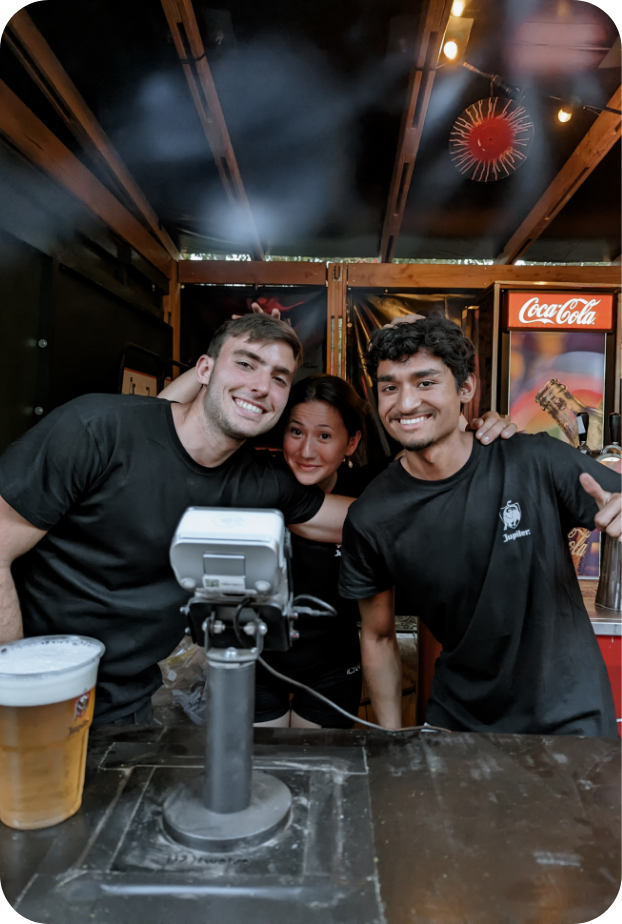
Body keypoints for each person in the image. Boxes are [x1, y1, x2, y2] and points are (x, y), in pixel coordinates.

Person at [0, 315, 351, 726]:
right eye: (245, 363)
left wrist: (431, 441)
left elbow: (367, 523)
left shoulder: (260, 482)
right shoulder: (97, 428)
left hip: (125, 709)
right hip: (26, 695)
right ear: (203, 369)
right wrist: (27, 698)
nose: (261, 385)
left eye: (279, 377)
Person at [162, 348, 517, 729]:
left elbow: (442, 448)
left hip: (333, 667)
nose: (306, 450)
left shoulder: (375, 489)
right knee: (262, 777)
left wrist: (482, 427)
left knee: (320, 776)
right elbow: (159, 421)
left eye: (325, 435)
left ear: (351, 443)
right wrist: (221, 358)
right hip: (254, 660)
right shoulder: (256, 478)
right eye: (295, 431)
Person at [338, 315, 621, 737]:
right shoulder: (372, 514)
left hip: (569, 713)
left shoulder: (532, 460)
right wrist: (390, 742)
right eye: (389, 387)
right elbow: (378, 638)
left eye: (426, 382)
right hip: (460, 722)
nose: (406, 403)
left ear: (466, 388)